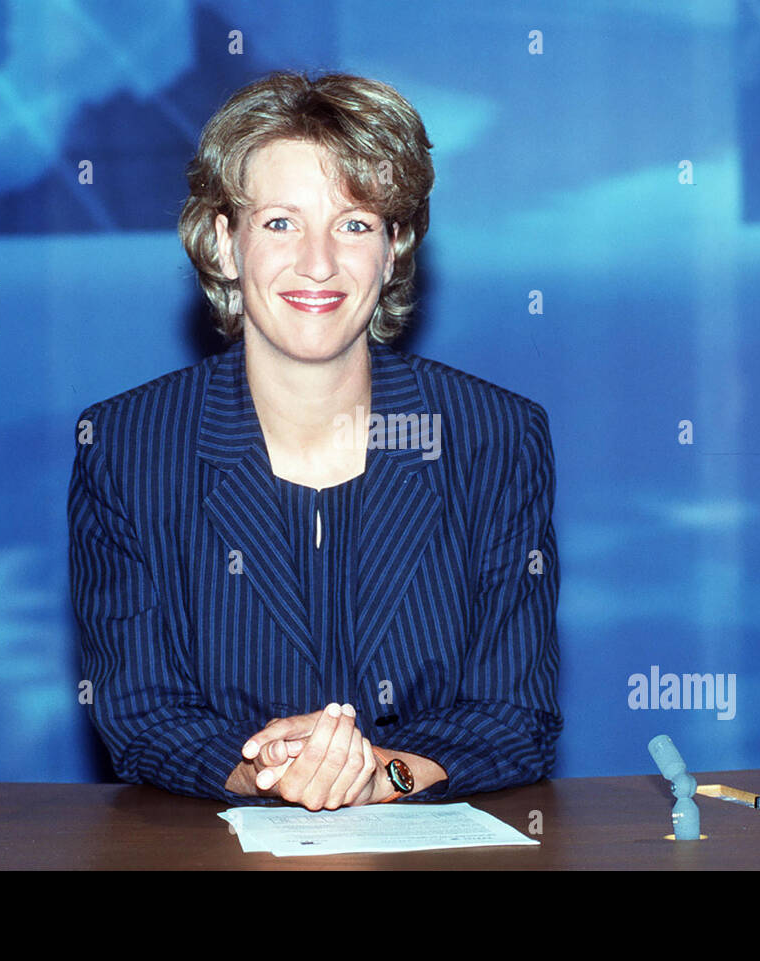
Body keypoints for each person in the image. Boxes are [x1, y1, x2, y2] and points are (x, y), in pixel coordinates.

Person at [68, 71, 562, 810]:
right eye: (280, 223)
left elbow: (516, 717)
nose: (319, 262)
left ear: (395, 248)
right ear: (222, 242)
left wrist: (382, 771)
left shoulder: (495, 437)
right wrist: (265, 772)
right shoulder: (125, 445)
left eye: (356, 223)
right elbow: (140, 714)